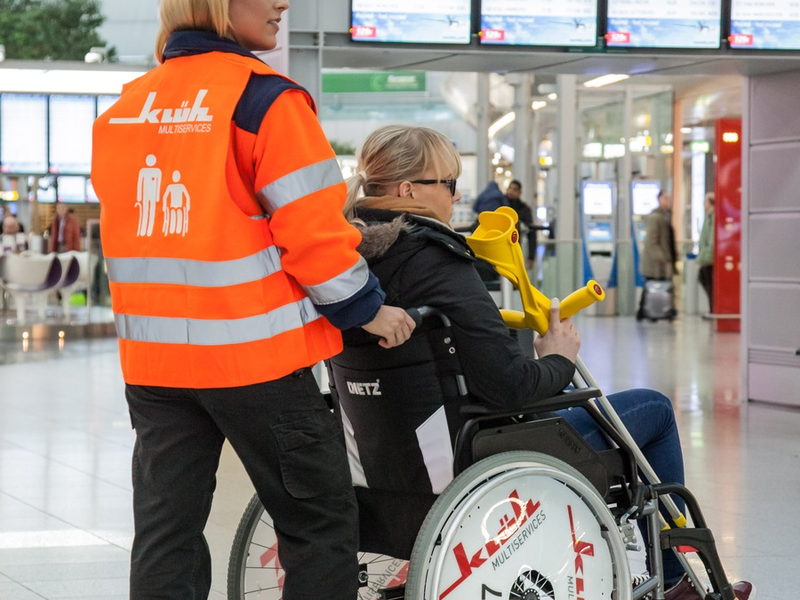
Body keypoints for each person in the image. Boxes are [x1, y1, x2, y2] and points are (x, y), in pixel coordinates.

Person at [342, 125, 753, 600]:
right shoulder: (439, 262)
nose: (456, 198)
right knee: (655, 410)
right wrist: (557, 356)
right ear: (408, 190)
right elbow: (511, 387)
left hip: (386, 478)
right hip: (480, 456)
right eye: (448, 184)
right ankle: (677, 581)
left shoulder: (344, 267)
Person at [90, 2, 416, 600]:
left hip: (154, 365)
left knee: (167, 532)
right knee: (318, 521)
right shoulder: (264, 101)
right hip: (253, 360)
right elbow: (314, 235)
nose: (281, 4)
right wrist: (370, 308)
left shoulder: (127, 108)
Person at [637, 189, 678, 321]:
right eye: (665, 198)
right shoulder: (656, 218)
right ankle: (648, 312)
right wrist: (663, 258)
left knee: (656, 287)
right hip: (655, 263)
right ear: (659, 199)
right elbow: (652, 242)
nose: (668, 201)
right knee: (651, 287)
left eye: (669, 198)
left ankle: (657, 311)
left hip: (661, 261)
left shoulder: (665, 216)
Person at [504, 179, 546, 270]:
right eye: (510, 188)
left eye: (515, 189)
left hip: (515, 250)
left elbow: (531, 233)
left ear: (520, 192)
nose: (511, 191)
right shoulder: (500, 205)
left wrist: (531, 257)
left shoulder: (524, 209)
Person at [697, 192, 715, 313]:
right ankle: (711, 308)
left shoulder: (713, 217)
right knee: (705, 281)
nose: (704, 205)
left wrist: (705, 257)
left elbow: (711, 240)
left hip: (709, 259)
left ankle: (712, 309)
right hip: (706, 257)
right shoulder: (709, 217)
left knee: (709, 284)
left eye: (705, 202)